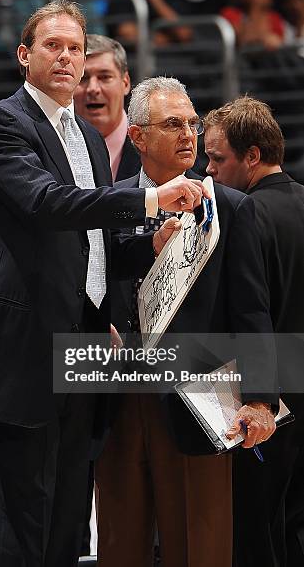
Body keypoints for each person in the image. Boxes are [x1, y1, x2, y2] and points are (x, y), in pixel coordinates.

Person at [0, 0, 208, 567]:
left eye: (75, 47)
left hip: (87, 346)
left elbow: (90, 245)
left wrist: (145, 244)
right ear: (25, 55)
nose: (67, 57)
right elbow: (48, 205)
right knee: (21, 525)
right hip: (25, 347)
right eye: (53, 45)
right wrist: (147, 198)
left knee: (70, 521)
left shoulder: (94, 140)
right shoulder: (2, 123)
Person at [97, 76, 278, 567]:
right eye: (172, 124)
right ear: (137, 136)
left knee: (200, 543)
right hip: (115, 390)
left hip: (199, 393)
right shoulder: (104, 206)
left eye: (193, 124)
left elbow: (251, 310)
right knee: (118, 541)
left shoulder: (231, 208)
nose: (188, 135)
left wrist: (261, 399)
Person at [204, 95, 304, 567]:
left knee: (258, 533)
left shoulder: (246, 212)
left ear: (253, 156)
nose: (209, 171)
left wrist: (260, 400)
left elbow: (252, 312)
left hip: (274, 404)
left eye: (217, 158)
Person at [73, 34, 141, 182]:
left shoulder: (154, 146)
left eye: (104, 77)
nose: (93, 88)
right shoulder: (52, 146)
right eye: (83, 78)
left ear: (125, 83)